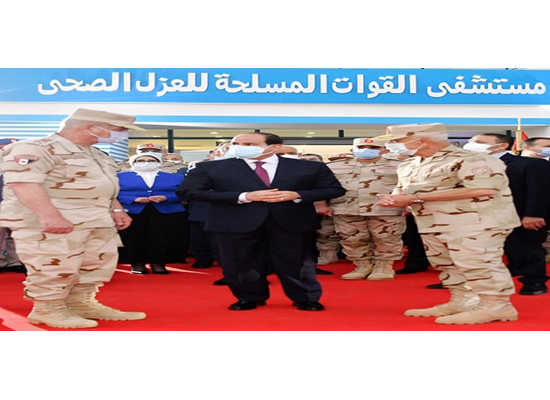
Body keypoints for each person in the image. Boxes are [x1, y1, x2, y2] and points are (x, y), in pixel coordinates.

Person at [0, 108, 147, 329]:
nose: (122, 134)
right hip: (52, 223)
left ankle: (81, 303)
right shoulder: (35, 148)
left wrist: (117, 210)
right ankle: (48, 309)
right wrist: (50, 216)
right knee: (53, 265)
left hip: (96, 220)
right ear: (89, 127)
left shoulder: (95, 153)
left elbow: (105, 186)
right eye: (118, 129)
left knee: (94, 265)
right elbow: (23, 184)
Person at [177, 132, 346, 312]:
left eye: (249, 144)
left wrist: (297, 195)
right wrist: (244, 196)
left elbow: (334, 189)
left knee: (297, 262)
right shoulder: (211, 167)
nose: (239, 147)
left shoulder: (308, 167)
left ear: (274, 147)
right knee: (239, 262)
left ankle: (306, 298)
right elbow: (188, 192)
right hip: (234, 222)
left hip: (291, 222)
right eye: (236, 143)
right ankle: (248, 298)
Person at [377, 123, 521, 326]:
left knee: (479, 264)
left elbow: (484, 189)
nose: (391, 145)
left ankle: (497, 306)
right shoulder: (409, 164)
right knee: (446, 263)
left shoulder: (472, 159)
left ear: (421, 141)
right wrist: (395, 199)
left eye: (396, 140)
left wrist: (415, 198)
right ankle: (462, 300)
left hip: (475, 222)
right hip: (432, 222)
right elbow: (404, 190)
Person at [465, 133, 550, 295]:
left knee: (525, 248)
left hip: (516, 214)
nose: (471, 145)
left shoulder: (529, 163)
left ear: (502, 145)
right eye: (471, 141)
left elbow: (539, 191)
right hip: (477, 215)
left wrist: (533, 214)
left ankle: (534, 281)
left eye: (479, 142)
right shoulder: (468, 164)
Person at [324, 137, 407, 282]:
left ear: (385, 150)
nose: (366, 150)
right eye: (361, 147)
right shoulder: (334, 166)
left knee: (387, 238)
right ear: (353, 149)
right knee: (352, 239)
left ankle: (384, 266)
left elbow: (410, 187)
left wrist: (408, 205)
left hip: (386, 209)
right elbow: (323, 186)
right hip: (346, 208)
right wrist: (322, 204)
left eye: (374, 148)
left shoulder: (401, 166)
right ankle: (362, 266)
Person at [117, 153, 188, 275]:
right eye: (141, 160)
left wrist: (167, 197)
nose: (146, 163)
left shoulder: (176, 177)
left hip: (167, 210)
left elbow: (184, 193)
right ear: (133, 163)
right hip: (133, 211)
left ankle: (159, 263)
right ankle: (137, 263)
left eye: (151, 160)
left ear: (159, 162)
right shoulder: (119, 177)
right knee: (134, 238)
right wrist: (133, 199)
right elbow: (113, 194)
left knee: (161, 238)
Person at [0, 138, 27, 274]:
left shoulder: (23, 166)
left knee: (14, 236)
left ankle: (13, 262)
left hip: (17, 206)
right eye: (3, 148)